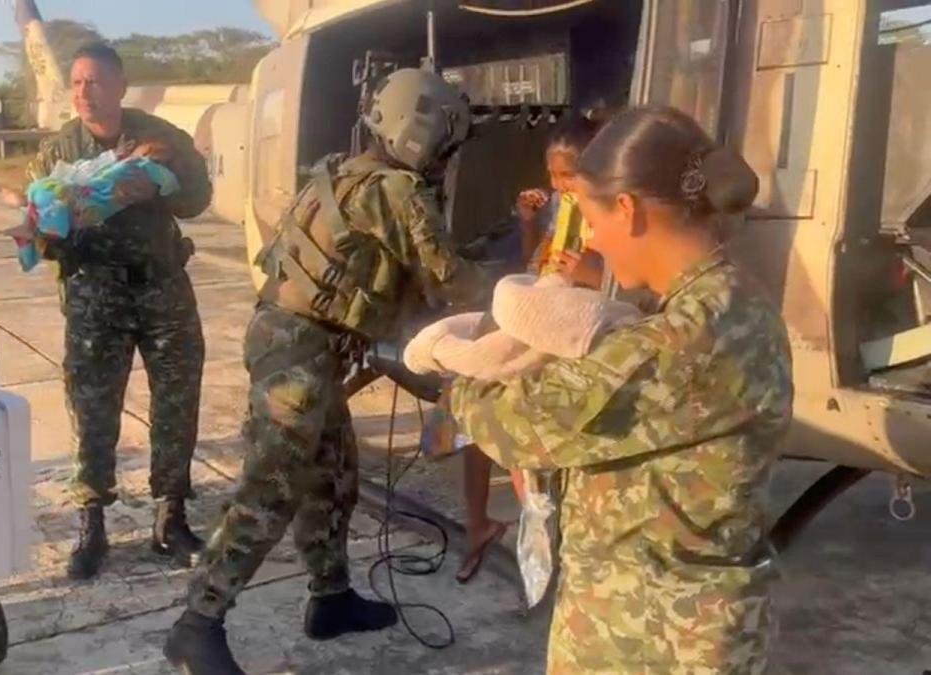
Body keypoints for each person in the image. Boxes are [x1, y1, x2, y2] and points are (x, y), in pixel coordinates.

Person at [163, 68, 494, 675]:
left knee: (334, 477)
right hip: (300, 348)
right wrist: (524, 281)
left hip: (302, 341)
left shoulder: (343, 170)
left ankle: (331, 597)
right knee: (272, 487)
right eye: (447, 144)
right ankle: (197, 624)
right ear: (422, 136)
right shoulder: (397, 191)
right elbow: (451, 281)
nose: (447, 158)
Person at [449, 106, 793, 673]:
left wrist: (461, 369)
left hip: (650, 638)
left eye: (591, 216)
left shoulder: (684, 339)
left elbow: (517, 426)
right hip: (667, 622)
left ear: (628, 210)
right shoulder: (730, 301)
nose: (594, 241)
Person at [21, 43, 213, 579]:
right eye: (78, 83)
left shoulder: (159, 138)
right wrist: (55, 221)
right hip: (94, 297)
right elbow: (38, 224)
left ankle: (169, 516)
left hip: (162, 292)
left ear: (121, 86)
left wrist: (157, 183)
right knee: (92, 410)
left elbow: (197, 199)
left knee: (176, 402)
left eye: (97, 82)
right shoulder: (57, 151)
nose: (85, 93)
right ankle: (92, 522)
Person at [455, 114, 604, 584]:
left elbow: (622, 284)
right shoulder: (560, 207)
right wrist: (528, 223)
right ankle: (479, 523)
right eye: (554, 174)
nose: (559, 184)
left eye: (568, 174)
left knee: (525, 424)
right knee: (475, 402)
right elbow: (536, 263)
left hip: (580, 329)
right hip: (544, 314)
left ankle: (549, 538)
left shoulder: (607, 210)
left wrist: (589, 275)